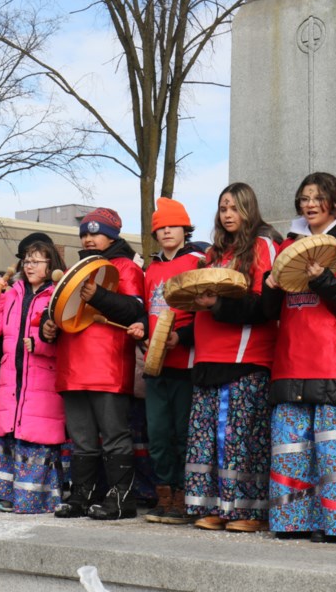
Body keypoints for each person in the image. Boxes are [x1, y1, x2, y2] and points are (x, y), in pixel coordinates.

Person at [264, 172, 336, 542]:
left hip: (334, 361)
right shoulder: (287, 249)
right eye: (304, 198)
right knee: (291, 448)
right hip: (289, 361)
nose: (309, 204)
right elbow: (269, 311)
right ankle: (292, 521)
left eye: (317, 197)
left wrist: (323, 280)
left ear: (335, 201)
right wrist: (268, 286)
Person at [175, 183, 279, 533]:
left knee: (240, 437)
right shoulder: (213, 254)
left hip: (244, 357)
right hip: (207, 357)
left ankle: (248, 509)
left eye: (234, 207)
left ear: (249, 209)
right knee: (210, 437)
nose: (228, 214)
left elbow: (265, 305)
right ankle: (217, 505)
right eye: (223, 208)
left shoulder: (263, 245)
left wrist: (216, 305)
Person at [44, 208, 147, 520]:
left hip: (107, 365)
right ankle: (83, 494)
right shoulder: (77, 268)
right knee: (81, 435)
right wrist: (45, 327)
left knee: (114, 433)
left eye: (96, 233)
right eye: (84, 234)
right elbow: (57, 310)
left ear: (113, 236)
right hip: (73, 364)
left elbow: (133, 311)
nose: (88, 238)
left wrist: (98, 295)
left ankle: (122, 497)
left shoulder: (126, 267)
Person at [0, 238, 67, 514]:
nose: (29, 266)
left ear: (50, 264)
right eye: (26, 261)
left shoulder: (57, 294)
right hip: (12, 374)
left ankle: (36, 498)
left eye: (36, 261)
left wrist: (40, 345)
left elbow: (65, 340)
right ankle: (9, 495)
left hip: (42, 377)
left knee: (34, 436)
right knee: (12, 434)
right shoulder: (14, 292)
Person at [139, 197, 205, 524]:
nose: (166, 231)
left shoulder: (198, 262)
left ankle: (182, 494)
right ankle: (163, 493)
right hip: (155, 365)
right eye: (160, 227)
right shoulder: (150, 269)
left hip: (185, 363)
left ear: (185, 228)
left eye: (172, 226)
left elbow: (206, 314)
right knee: (158, 432)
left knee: (183, 431)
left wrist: (184, 337)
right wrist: (142, 336)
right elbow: (145, 313)